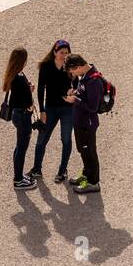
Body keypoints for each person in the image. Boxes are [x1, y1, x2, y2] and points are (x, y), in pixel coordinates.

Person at [28, 40, 75, 183]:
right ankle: (37, 169)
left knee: (66, 139)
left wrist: (74, 94)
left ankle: (62, 170)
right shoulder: (46, 67)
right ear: (54, 52)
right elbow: (41, 89)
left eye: (67, 53)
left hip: (67, 108)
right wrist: (42, 110)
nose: (64, 55)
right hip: (51, 108)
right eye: (61, 53)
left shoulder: (71, 66)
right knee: (42, 139)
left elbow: (78, 85)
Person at [64, 54, 103, 194]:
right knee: (84, 150)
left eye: (72, 71)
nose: (72, 74)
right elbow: (83, 94)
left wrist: (75, 100)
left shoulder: (93, 81)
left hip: (87, 124)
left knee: (90, 152)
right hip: (80, 122)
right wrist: (75, 92)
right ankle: (86, 174)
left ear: (79, 67)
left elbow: (92, 107)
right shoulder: (85, 76)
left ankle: (93, 182)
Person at [3, 48, 37, 191]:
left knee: (19, 147)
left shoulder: (15, 75)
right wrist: (29, 106)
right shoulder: (18, 77)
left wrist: (29, 89)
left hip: (20, 115)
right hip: (23, 116)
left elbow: (17, 96)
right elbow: (20, 100)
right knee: (22, 148)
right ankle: (18, 180)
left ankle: (19, 176)